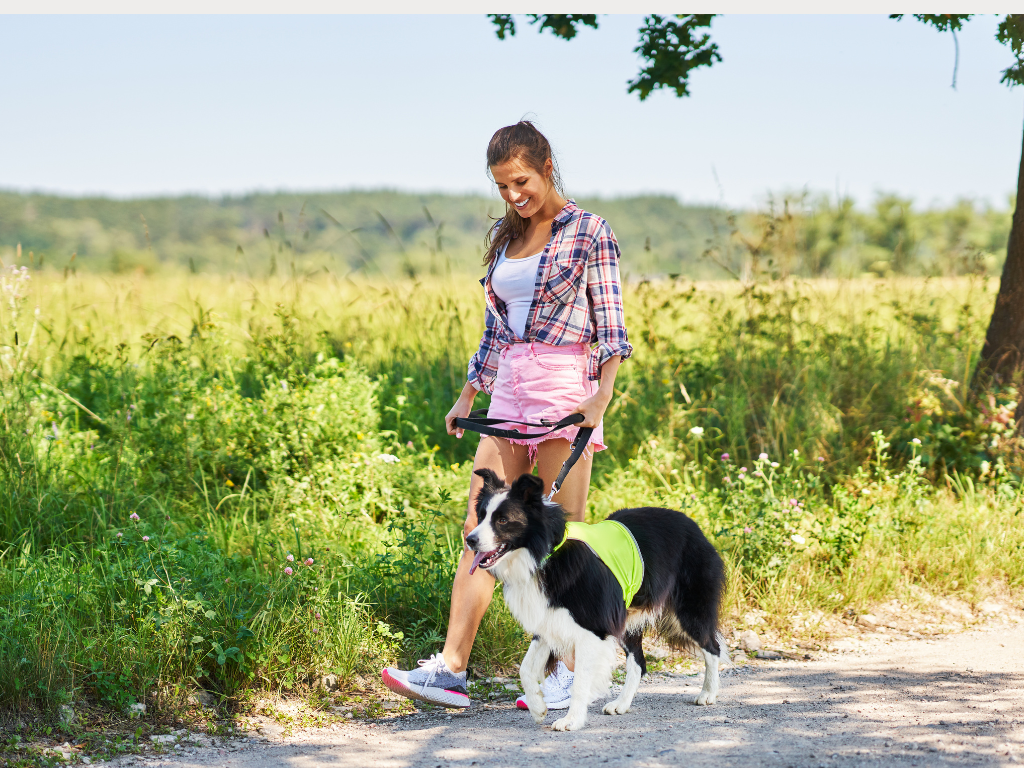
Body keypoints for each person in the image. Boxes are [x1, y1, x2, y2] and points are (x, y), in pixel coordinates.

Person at [382, 120, 632, 710]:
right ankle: (450, 669)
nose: (513, 194)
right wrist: (470, 392)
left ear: (546, 166)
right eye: (501, 186)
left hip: (562, 390)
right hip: (509, 391)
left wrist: (602, 395)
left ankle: (576, 667)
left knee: (561, 534)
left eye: (520, 180)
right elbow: (497, 327)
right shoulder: (506, 236)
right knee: (480, 525)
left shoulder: (589, 231)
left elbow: (612, 325)